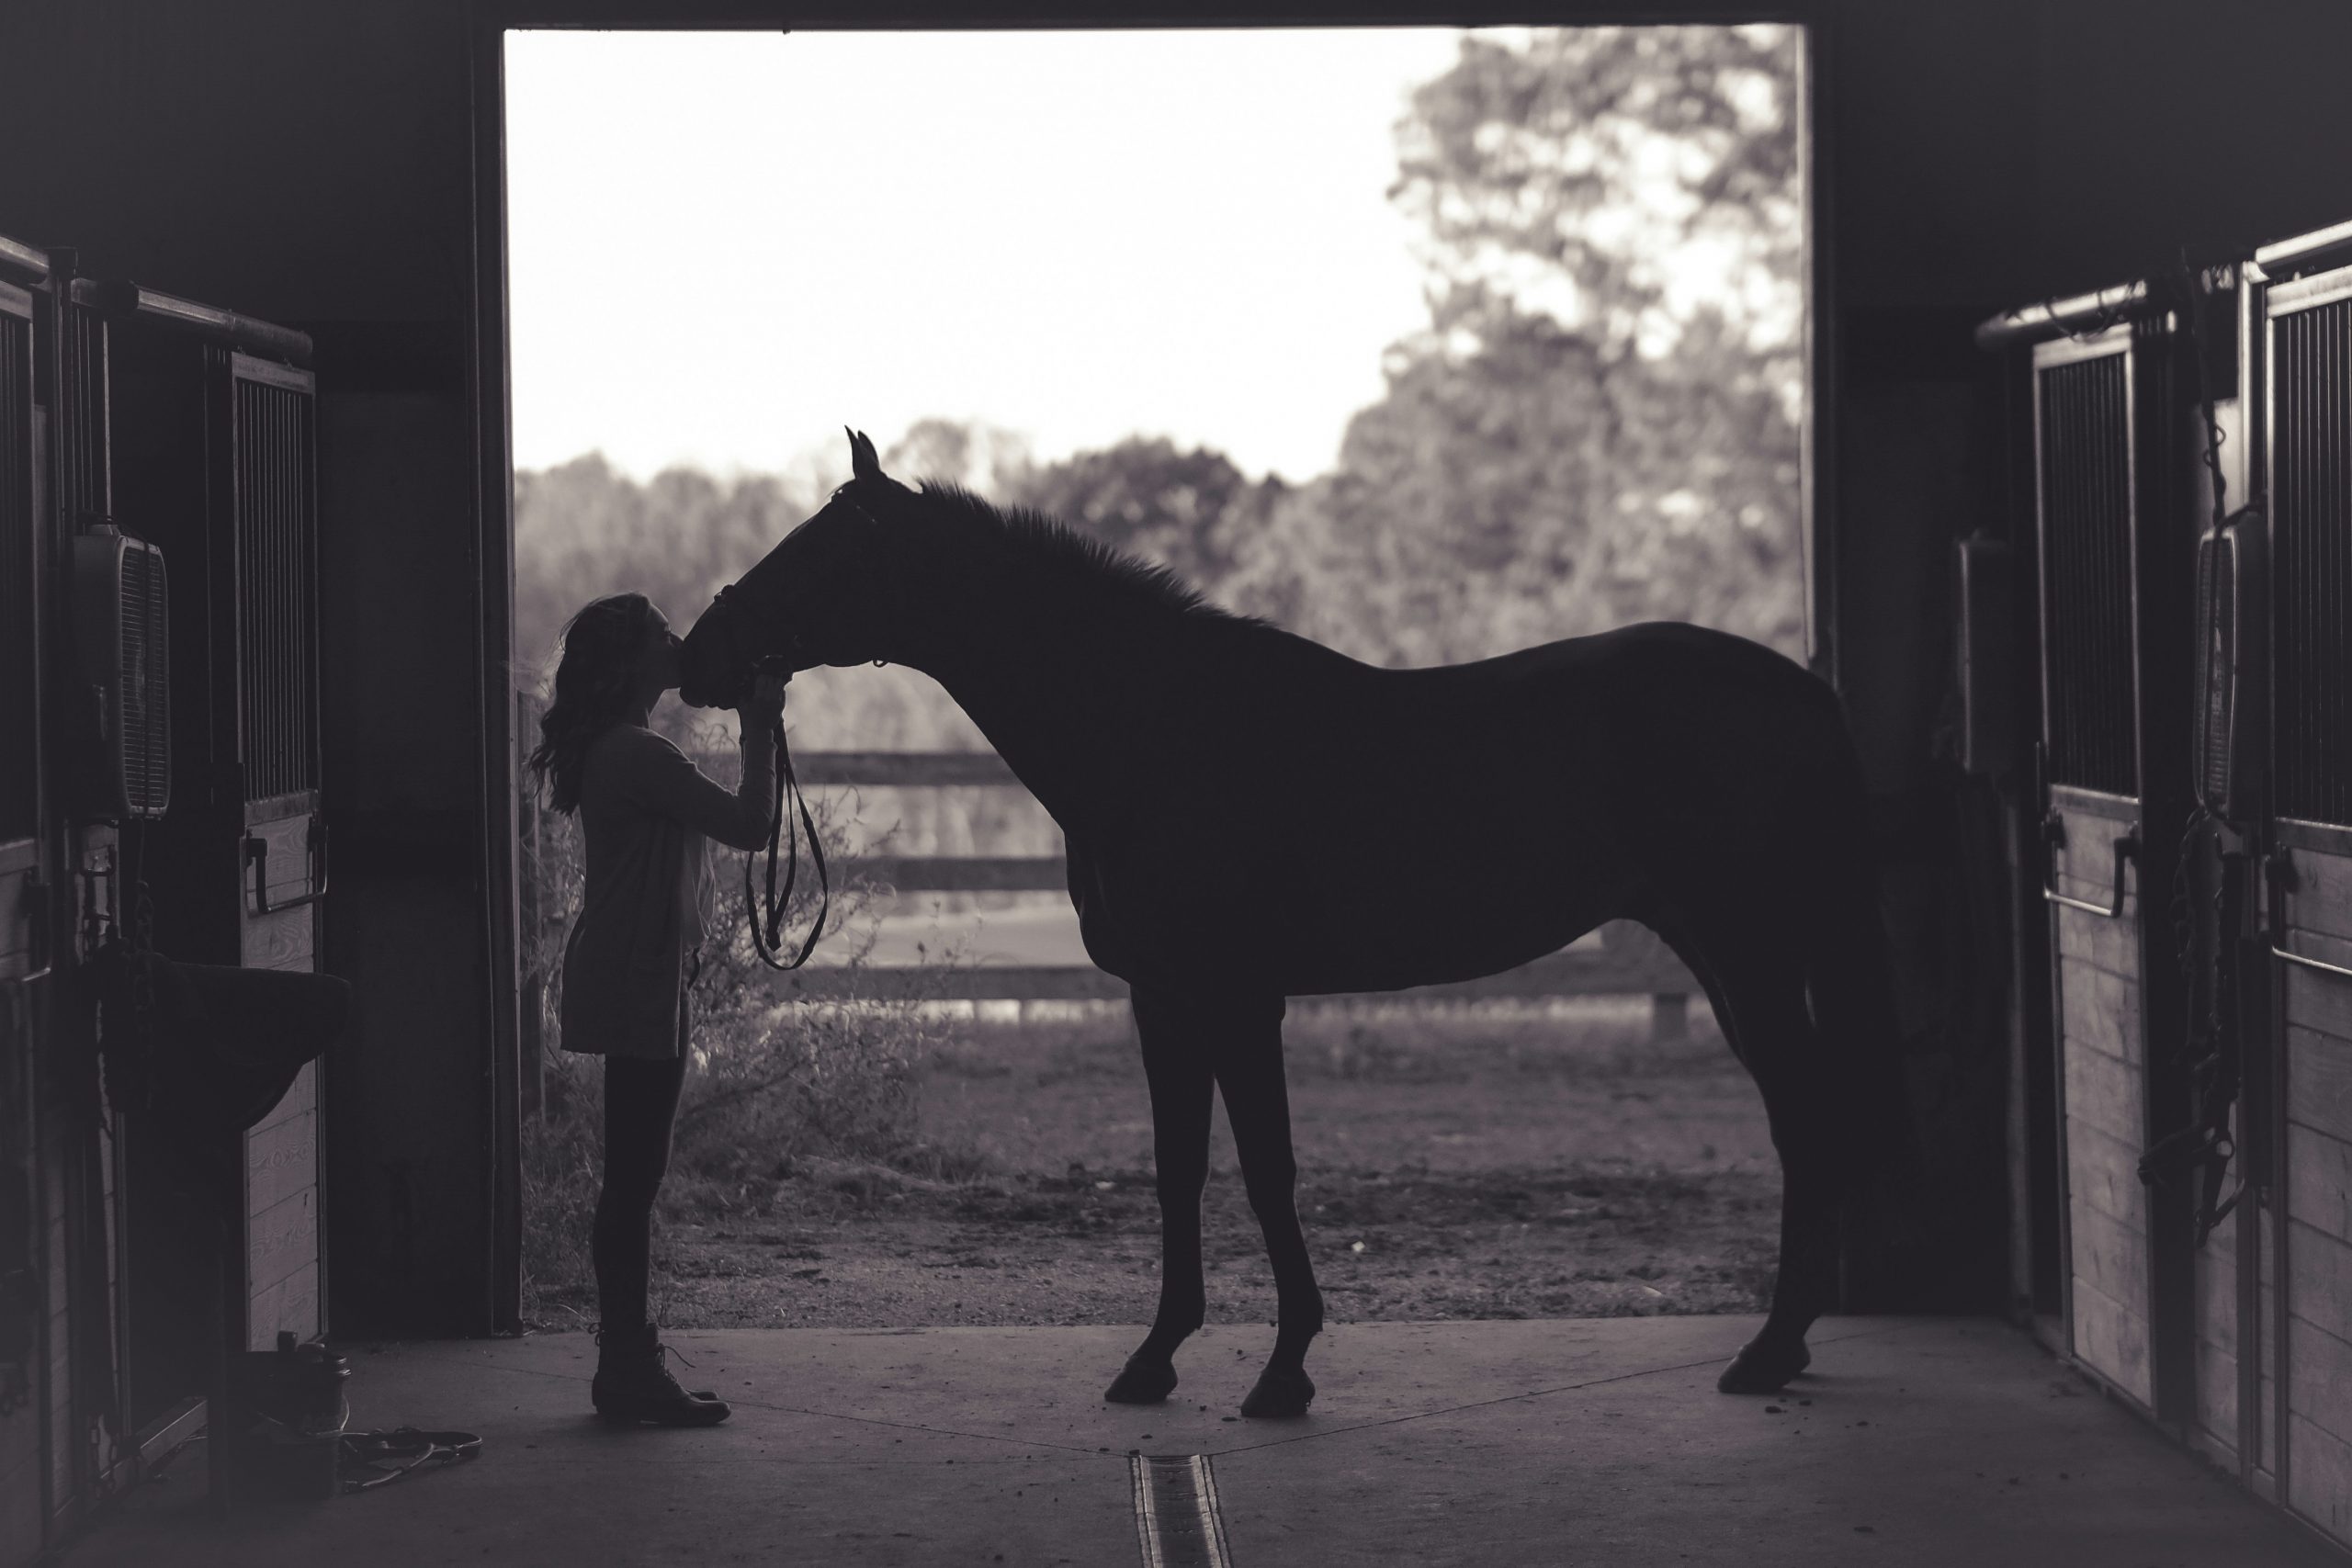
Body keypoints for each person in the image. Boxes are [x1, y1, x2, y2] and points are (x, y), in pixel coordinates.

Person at [526, 592, 785, 1427]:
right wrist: (760, 723)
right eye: (664, 635)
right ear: (637, 660)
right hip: (638, 974)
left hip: (633, 968)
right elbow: (751, 824)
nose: (678, 643)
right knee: (634, 1181)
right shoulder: (640, 754)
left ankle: (626, 1363)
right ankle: (628, 1368)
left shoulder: (618, 747)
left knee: (631, 1179)